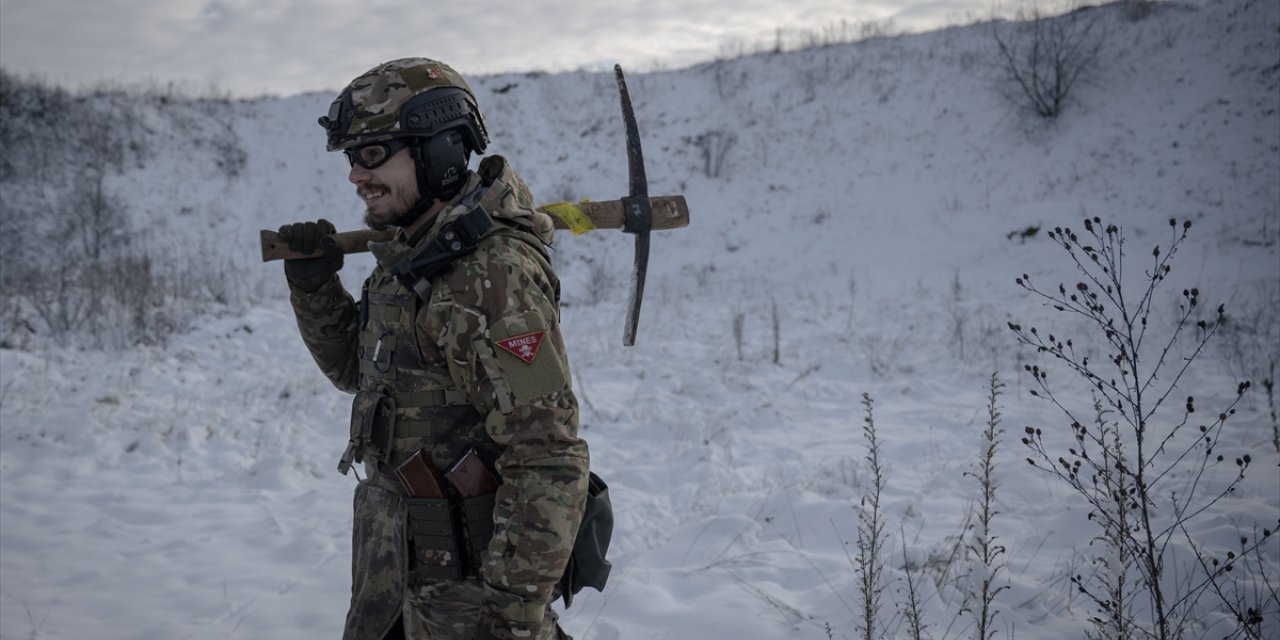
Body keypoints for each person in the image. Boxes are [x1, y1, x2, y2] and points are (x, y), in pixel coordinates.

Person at [278, 57, 589, 640]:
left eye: (373, 155)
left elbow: (548, 457)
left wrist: (512, 621)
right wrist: (314, 285)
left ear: (440, 150)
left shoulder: (491, 277)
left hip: (470, 600)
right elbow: (357, 371)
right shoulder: (414, 252)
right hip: (395, 576)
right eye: (351, 157)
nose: (355, 175)